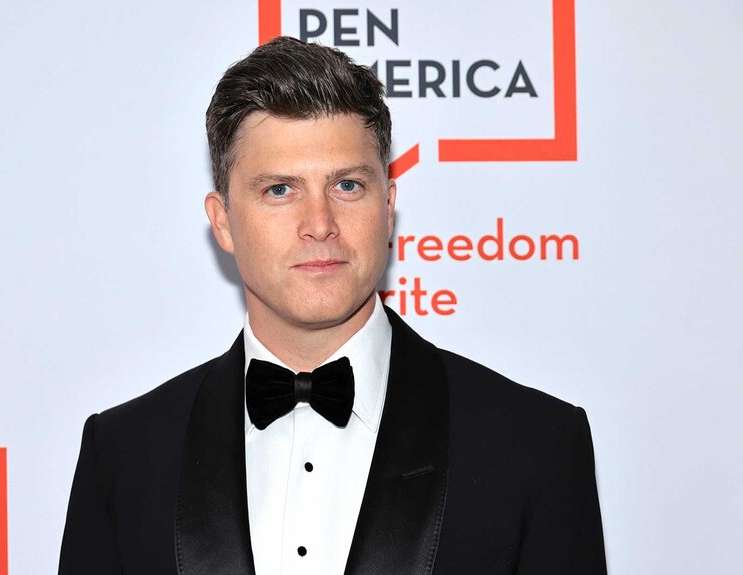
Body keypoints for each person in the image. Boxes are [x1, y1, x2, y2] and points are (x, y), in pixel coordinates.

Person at [59, 36, 607, 575]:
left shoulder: (535, 445)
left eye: (346, 185)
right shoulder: (125, 454)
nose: (319, 224)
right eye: (279, 190)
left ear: (387, 206)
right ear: (222, 220)